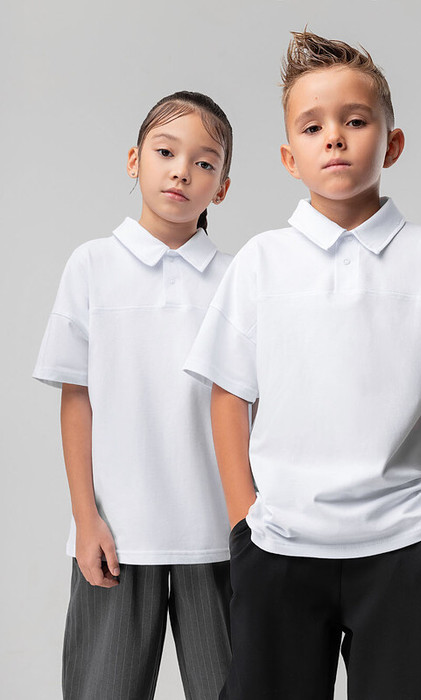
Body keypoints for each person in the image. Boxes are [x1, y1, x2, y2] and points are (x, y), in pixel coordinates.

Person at [182, 31, 421, 700]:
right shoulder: (261, 262)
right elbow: (227, 394)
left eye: (355, 121)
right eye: (312, 127)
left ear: (392, 144)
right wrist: (243, 521)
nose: (334, 137)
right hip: (278, 545)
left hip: (400, 544)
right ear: (290, 157)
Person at [33, 91, 234, 700]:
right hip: (116, 535)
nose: (182, 171)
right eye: (166, 152)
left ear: (222, 187)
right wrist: (85, 517)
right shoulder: (92, 266)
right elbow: (77, 398)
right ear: (133, 160)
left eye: (204, 162)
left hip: (221, 535)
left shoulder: (238, 278)